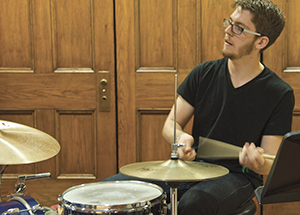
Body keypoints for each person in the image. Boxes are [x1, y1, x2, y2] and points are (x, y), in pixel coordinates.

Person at [102, 0, 294, 214]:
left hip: (237, 176)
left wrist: (255, 162)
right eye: (229, 23)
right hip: (191, 169)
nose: (228, 31)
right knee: (109, 190)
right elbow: (171, 124)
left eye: (238, 28)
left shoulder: (278, 93)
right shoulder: (203, 74)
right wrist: (181, 138)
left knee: (194, 203)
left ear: (261, 42)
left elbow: (270, 162)